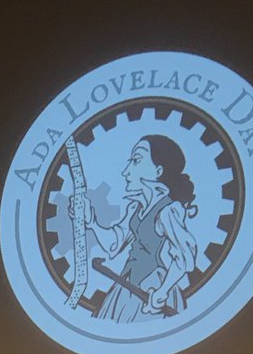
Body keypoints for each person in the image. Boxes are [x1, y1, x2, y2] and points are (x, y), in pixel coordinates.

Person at [81, 134, 199, 322]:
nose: (126, 172)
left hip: (152, 288)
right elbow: (114, 244)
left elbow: (184, 256)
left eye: (136, 161)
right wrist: (92, 222)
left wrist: (162, 292)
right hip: (128, 286)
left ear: (158, 170)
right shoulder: (135, 208)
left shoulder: (168, 210)